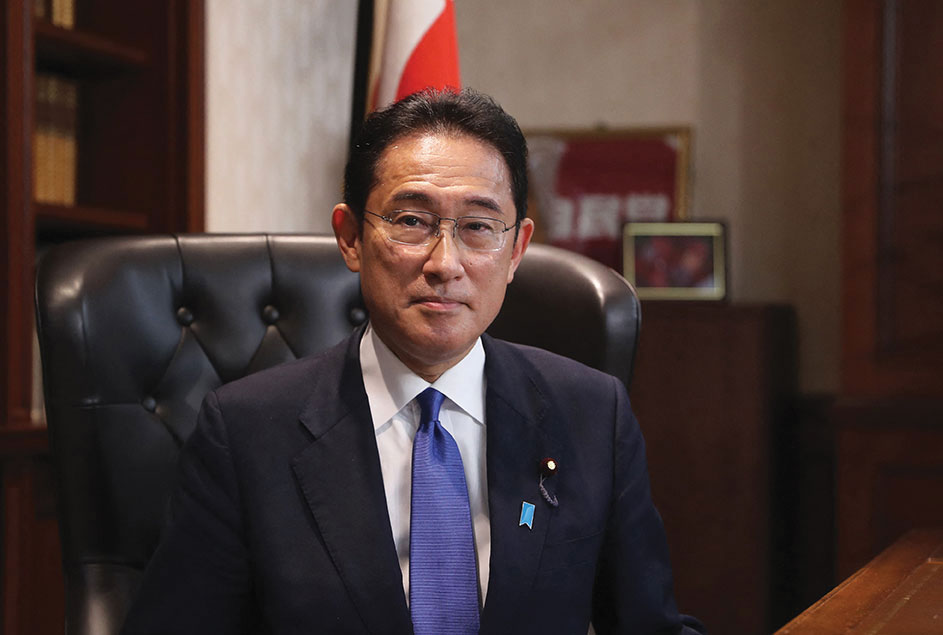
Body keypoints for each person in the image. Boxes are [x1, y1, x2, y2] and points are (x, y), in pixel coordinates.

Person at [122, 88, 704, 634]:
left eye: (478, 227)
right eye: (411, 222)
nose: (445, 263)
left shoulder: (591, 415)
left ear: (517, 249)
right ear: (351, 237)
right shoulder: (245, 432)